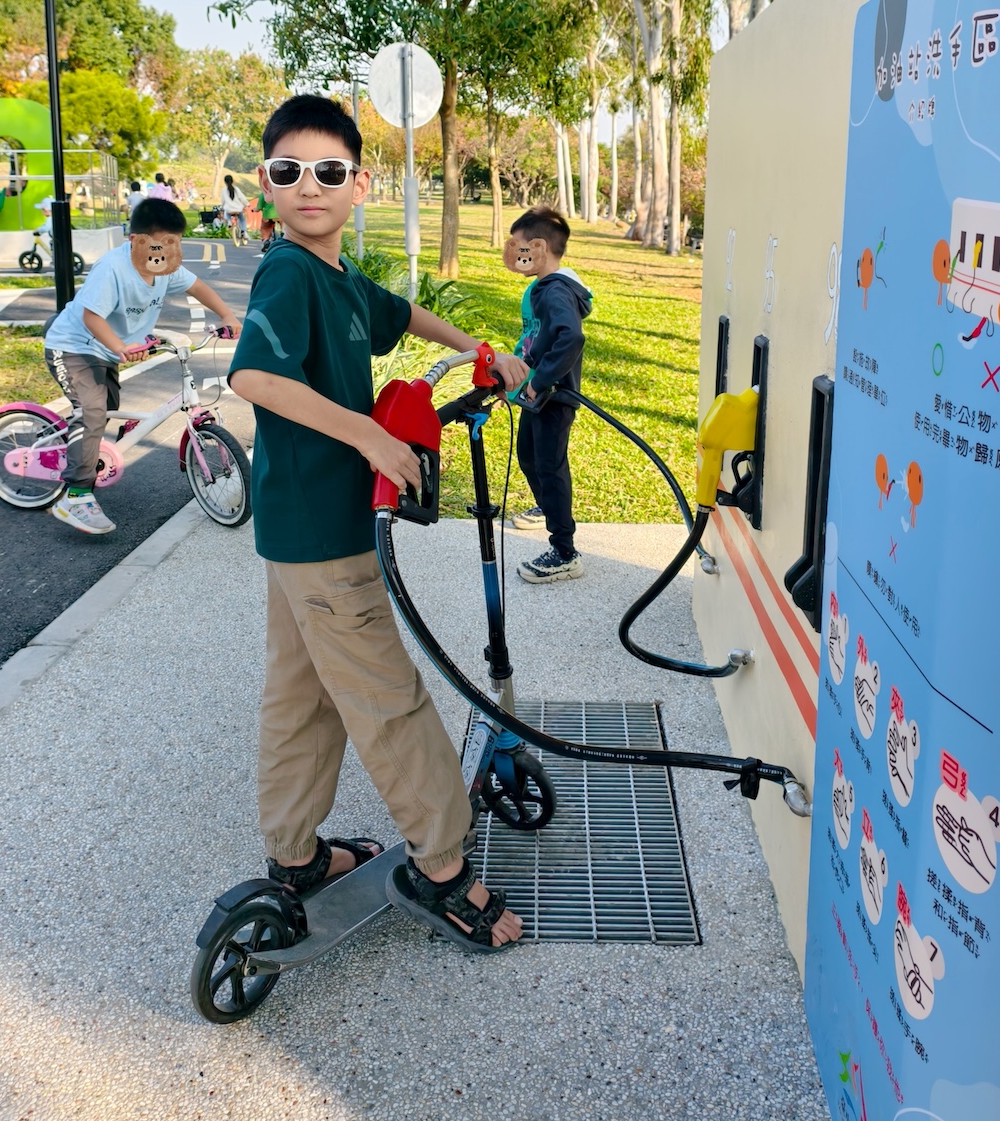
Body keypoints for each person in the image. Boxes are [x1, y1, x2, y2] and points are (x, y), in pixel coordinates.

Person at [227, 94, 529, 952]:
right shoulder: (288, 272)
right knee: (388, 699)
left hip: (297, 536)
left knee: (303, 694)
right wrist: (367, 434)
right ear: (267, 183)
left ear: (360, 182)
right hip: (326, 533)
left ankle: (295, 857)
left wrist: (480, 349)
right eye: (289, 173)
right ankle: (442, 870)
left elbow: (402, 316)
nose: (309, 186)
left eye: (328, 171)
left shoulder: (337, 277)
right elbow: (255, 378)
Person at [43, 196, 242, 535]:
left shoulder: (164, 268)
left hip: (107, 352)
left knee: (107, 410)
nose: (167, 252)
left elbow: (198, 287)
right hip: (73, 347)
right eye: (159, 244)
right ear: (135, 241)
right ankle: (75, 496)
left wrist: (226, 315)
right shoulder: (113, 269)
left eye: (174, 244)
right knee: (92, 411)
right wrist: (121, 346)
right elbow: (92, 316)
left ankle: (95, 449)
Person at [502, 206, 593, 584]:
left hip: (552, 397)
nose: (515, 253)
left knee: (550, 466)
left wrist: (541, 381)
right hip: (536, 395)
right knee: (529, 456)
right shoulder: (545, 286)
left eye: (520, 246)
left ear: (539, 247)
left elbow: (570, 336)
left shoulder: (556, 289)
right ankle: (547, 507)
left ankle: (565, 550)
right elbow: (538, 338)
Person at [221, 173, 248, 245]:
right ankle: (243, 231)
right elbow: (242, 198)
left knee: (226, 213)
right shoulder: (236, 189)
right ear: (232, 181)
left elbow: (223, 201)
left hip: (229, 209)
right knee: (242, 219)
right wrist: (246, 204)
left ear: (225, 182)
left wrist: (221, 207)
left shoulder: (223, 190)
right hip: (238, 209)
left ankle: (229, 222)